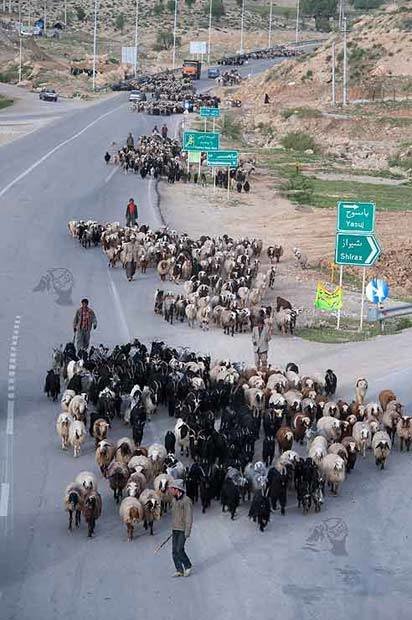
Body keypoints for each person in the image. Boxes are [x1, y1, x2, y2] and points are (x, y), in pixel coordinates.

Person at [170, 480, 193, 577]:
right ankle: (179, 569)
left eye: (172, 489)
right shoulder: (174, 500)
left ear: (177, 489)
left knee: (180, 549)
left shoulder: (186, 501)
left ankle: (188, 566)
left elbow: (189, 517)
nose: (170, 491)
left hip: (183, 529)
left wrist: (187, 531)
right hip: (175, 528)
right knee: (174, 550)